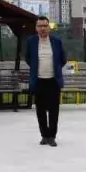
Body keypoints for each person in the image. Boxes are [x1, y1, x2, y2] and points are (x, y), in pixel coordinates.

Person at [25, 16, 65, 146]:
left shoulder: (56, 41)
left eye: (45, 26)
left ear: (49, 27)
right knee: (40, 110)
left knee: (54, 110)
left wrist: (56, 69)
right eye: (40, 26)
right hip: (39, 81)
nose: (42, 28)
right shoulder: (31, 41)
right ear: (36, 28)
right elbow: (28, 58)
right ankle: (44, 135)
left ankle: (52, 136)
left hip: (53, 81)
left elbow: (63, 59)